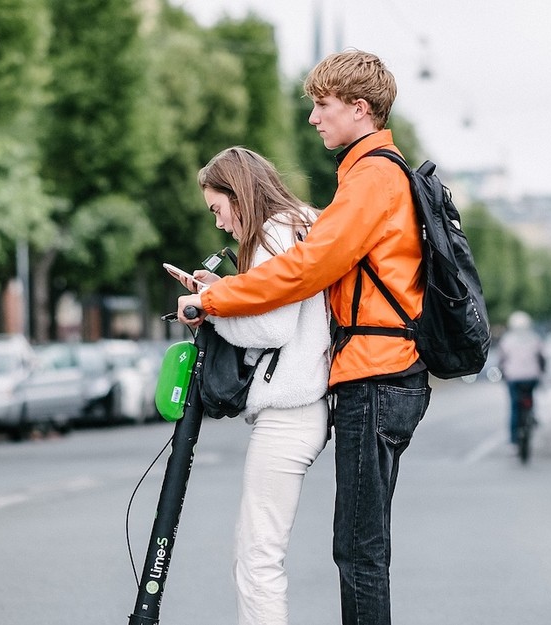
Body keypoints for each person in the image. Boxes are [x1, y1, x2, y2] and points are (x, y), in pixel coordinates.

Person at [178, 49, 429, 625]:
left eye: (322, 105)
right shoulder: (363, 181)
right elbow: (307, 261)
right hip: (377, 374)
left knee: (359, 552)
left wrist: (212, 300)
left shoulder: (372, 178)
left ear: (359, 108)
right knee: (357, 548)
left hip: (378, 373)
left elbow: (303, 271)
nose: (313, 117)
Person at [192, 147, 331, 625]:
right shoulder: (304, 222)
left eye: (218, 208)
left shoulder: (274, 233)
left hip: (290, 409)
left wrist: (211, 309)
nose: (219, 224)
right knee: (261, 551)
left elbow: (272, 329)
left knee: (257, 557)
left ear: (239, 193)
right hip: (308, 404)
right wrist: (225, 291)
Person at [498, 311, 544, 443]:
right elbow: (541, 358)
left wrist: (503, 373)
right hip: (531, 377)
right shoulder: (534, 338)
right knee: (529, 397)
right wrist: (541, 372)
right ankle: (531, 416)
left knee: (514, 407)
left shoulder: (507, 340)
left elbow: (502, 360)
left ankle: (513, 439)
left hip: (513, 378)